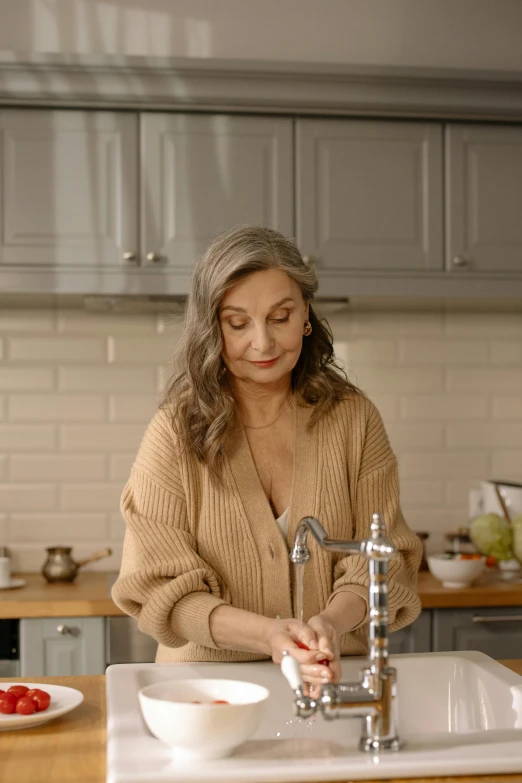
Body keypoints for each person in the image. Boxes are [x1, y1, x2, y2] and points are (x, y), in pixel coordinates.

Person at [112, 225, 422, 689]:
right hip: (204, 695)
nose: (262, 342)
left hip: (331, 682)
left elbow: (384, 559)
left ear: (306, 315)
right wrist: (268, 636)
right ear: (211, 326)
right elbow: (160, 589)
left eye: (280, 317)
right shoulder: (174, 433)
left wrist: (331, 625)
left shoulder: (354, 420)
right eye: (238, 323)